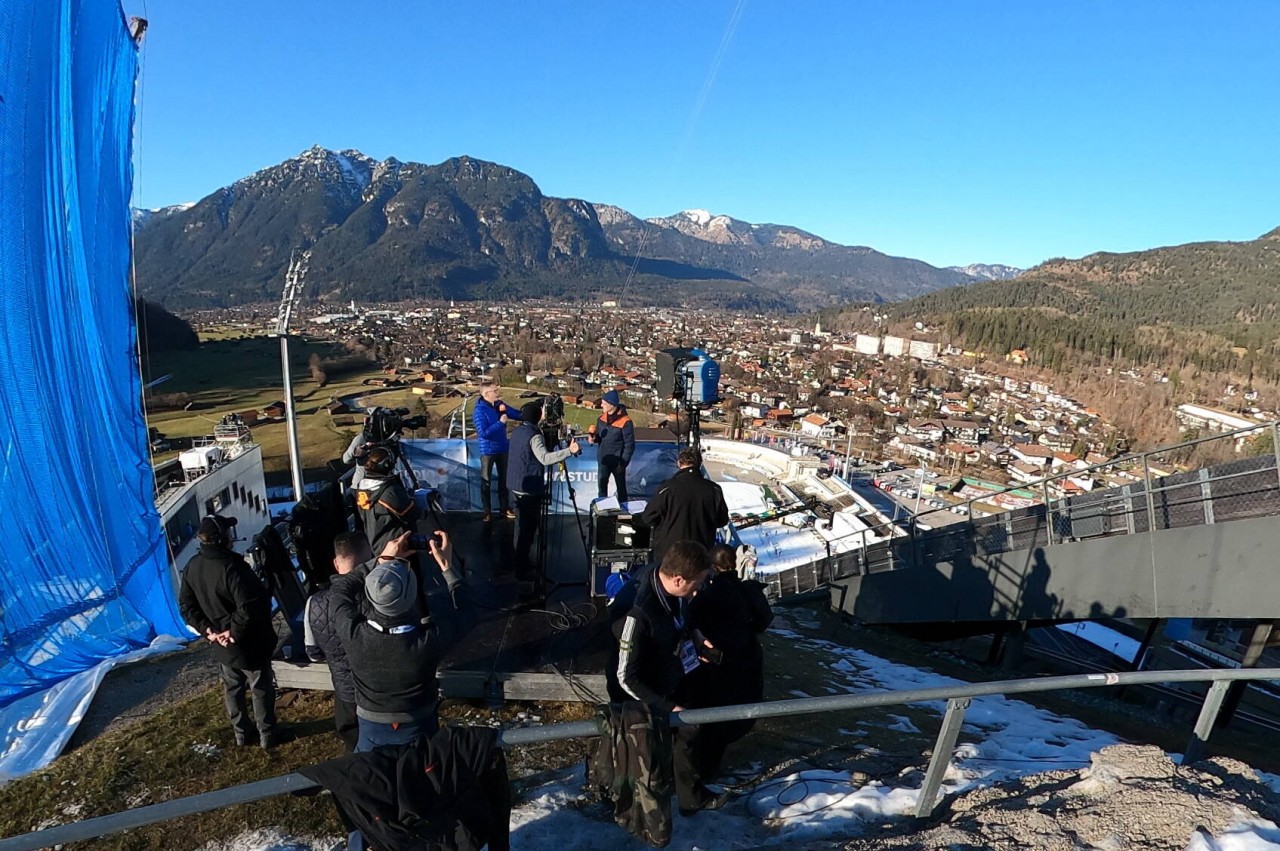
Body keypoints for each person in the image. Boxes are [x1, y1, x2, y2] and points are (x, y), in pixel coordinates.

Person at [331, 530, 470, 752]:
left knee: (373, 776)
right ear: (412, 594)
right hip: (420, 723)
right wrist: (446, 566)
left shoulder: (353, 633)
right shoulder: (428, 640)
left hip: (370, 727)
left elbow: (340, 589)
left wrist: (380, 560)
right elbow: (468, 612)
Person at [614, 541, 723, 815]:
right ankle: (641, 799)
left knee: (690, 728)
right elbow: (626, 677)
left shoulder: (669, 584)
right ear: (678, 579)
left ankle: (689, 794)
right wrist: (667, 707)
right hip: (642, 688)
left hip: (668, 669)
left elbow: (679, 619)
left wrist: (695, 637)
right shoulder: (638, 612)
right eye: (696, 584)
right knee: (671, 733)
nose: (698, 591)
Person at [178, 514, 280, 749]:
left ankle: (241, 734)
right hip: (247, 640)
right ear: (223, 538)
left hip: (220, 642)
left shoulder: (192, 566)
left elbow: (186, 606)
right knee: (260, 687)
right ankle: (268, 734)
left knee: (232, 687)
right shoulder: (232, 567)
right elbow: (249, 606)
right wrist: (233, 632)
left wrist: (208, 631)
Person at [683, 544, 774, 779]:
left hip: (717, 662)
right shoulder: (748, 590)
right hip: (747, 658)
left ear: (712, 568)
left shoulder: (706, 597)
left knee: (713, 715)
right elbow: (764, 621)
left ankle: (704, 768)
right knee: (740, 710)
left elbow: (689, 624)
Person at [304, 530, 372, 751]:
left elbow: (313, 653)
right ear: (369, 557)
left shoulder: (314, 603)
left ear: (335, 562)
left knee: (353, 748)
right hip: (380, 690)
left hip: (345, 692)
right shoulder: (381, 595)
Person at [506, 401, 581, 590]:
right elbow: (545, 459)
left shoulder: (517, 432)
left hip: (516, 485)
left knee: (520, 528)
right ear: (538, 417)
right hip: (528, 489)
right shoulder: (534, 436)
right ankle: (522, 570)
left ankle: (518, 562)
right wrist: (569, 452)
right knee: (527, 530)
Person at [642, 447, 730, 567]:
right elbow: (722, 520)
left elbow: (648, 517)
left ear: (679, 463)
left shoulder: (667, 488)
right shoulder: (714, 489)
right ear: (700, 464)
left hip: (669, 555)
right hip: (700, 555)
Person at [353, 445, 420, 556]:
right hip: (398, 548)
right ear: (386, 465)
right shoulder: (389, 493)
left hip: (377, 547)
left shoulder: (363, 487)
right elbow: (411, 514)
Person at [472, 379, 522, 522]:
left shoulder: (500, 405)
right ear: (487, 394)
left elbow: (515, 413)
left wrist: (533, 414)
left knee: (504, 480)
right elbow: (483, 433)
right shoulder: (479, 411)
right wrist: (500, 423)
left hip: (503, 447)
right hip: (488, 450)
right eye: (495, 391)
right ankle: (486, 511)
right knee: (486, 481)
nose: (498, 393)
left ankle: (504, 508)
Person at [590, 389, 634, 504]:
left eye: (604, 403)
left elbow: (629, 444)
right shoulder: (601, 419)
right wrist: (593, 438)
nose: (601, 405)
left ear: (611, 404)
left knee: (621, 489)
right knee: (602, 489)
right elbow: (599, 437)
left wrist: (623, 462)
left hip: (618, 462)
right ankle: (603, 513)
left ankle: (623, 512)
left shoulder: (625, 422)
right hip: (603, 460)